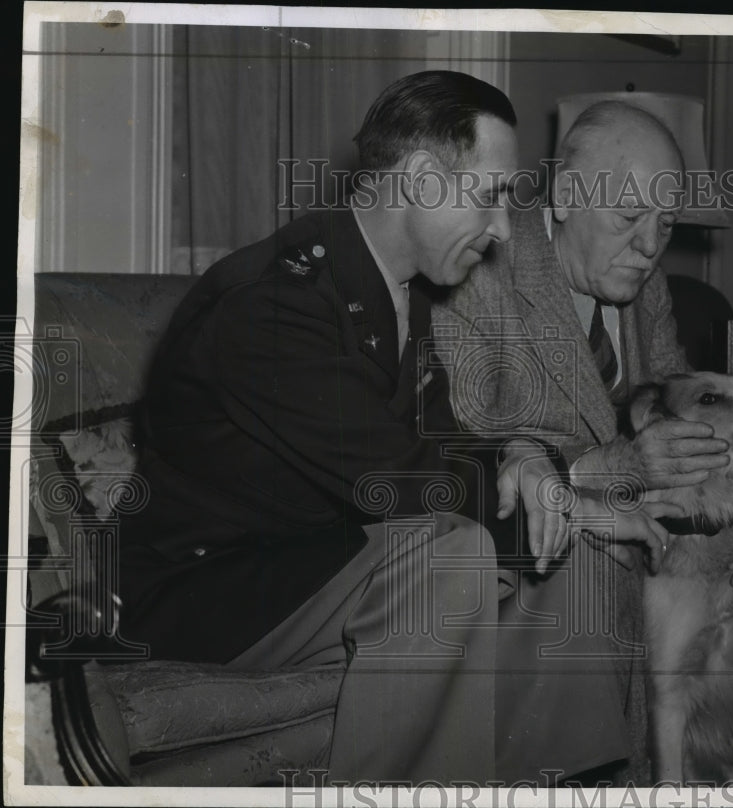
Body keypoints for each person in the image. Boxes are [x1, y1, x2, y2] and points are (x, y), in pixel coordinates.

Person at [116, 73, 673, 785]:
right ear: (421, 179)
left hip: (313, 559)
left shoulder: (395, 293)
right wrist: (566, 494)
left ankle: (554, 785)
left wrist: (528, 464)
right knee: (453, 551)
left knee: (560, 545)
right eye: (493, 198)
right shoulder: (274, 307)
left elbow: (448, 440)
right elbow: (402, 480)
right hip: (202, 592)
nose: (505, 230)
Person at [433, 100, 733, 782]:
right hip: (527, 570)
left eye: (666, 224)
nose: (649, 246)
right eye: (629, 217)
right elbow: (459, 455)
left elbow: (706, 437)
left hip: (645, 578)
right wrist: (607, 467)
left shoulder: (647, 289)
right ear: (569, 195)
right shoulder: (478, 272)